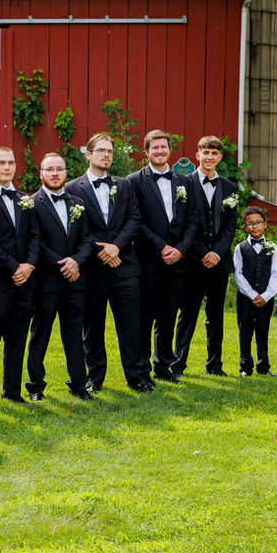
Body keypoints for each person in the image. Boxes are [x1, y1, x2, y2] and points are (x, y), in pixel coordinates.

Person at [66, 134, 151, 393]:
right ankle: (95, 378)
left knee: (130, 325)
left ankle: (136, 377)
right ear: (88, 154)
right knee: (93, 327)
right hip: (92, 270)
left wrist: (117, 247)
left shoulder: (124, 185)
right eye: (101, 151)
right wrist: (101, 250)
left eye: (110, 152)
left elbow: (134, 219)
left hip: (124, 268)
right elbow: (75, 228)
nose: (106, 156)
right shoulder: (72, 188)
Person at [127, 130, 199, 385]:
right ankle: (142, 369)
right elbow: (136, 221)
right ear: (146, 152)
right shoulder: (133, 181)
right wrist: (161, 247)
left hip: (178, 262)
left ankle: (163, 366)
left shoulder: (185, 182)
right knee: (145, 318)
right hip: (147, 261)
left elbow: (192, 220)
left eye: (163, 147)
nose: (159, 151)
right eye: (154, 148)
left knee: (168, 317)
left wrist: (180, 249)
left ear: (170, 150)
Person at [0, 146, 40, 406]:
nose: (7, 167)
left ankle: (12, 391)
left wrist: (29, 266)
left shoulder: (25, 198)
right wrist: (14, 267)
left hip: (24, 283)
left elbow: (35, 235)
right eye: (1, 163)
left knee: (17, 340)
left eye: (11, 162)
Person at [27, 153, 93, 400]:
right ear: (41, 173)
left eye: (59, 169)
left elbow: (87, 238)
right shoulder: (31, 203)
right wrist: (61, 264)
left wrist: (76, 261)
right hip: (46, 282)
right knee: (40, 334)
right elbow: (35, 242)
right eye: (49, 169)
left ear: (66, 173)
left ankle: (78, 384)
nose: (55, 173)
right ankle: (35, 386)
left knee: (74, 334)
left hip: (75, 281)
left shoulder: (78, 202)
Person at [173, 136, 238, 378]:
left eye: (214, 153)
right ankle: (178, 365)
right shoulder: (184, 184)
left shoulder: (229, 188)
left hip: (219, 264)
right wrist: (202, 253)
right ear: (197, 155)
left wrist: (217, 254)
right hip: (192, 261)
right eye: (205, 152)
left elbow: (230, 227)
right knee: (187, 314)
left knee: (215, 316)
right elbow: (183, 225)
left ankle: (215, 365)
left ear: (220, 157)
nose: (210, 157)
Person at [233, 206, 277, 377]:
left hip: (266, 298)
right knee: (245, 331)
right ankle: (245, 367)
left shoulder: (272, 248)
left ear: (265, 225)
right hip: (246, 298)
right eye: (250, 223)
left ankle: (264, 366)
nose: (254, 226)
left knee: (263, 330)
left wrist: (266, 296)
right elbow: (237, 274)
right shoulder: (240, 248)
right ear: (245, 227)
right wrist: (253, 295)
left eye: (258, 222)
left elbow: (276, 275)